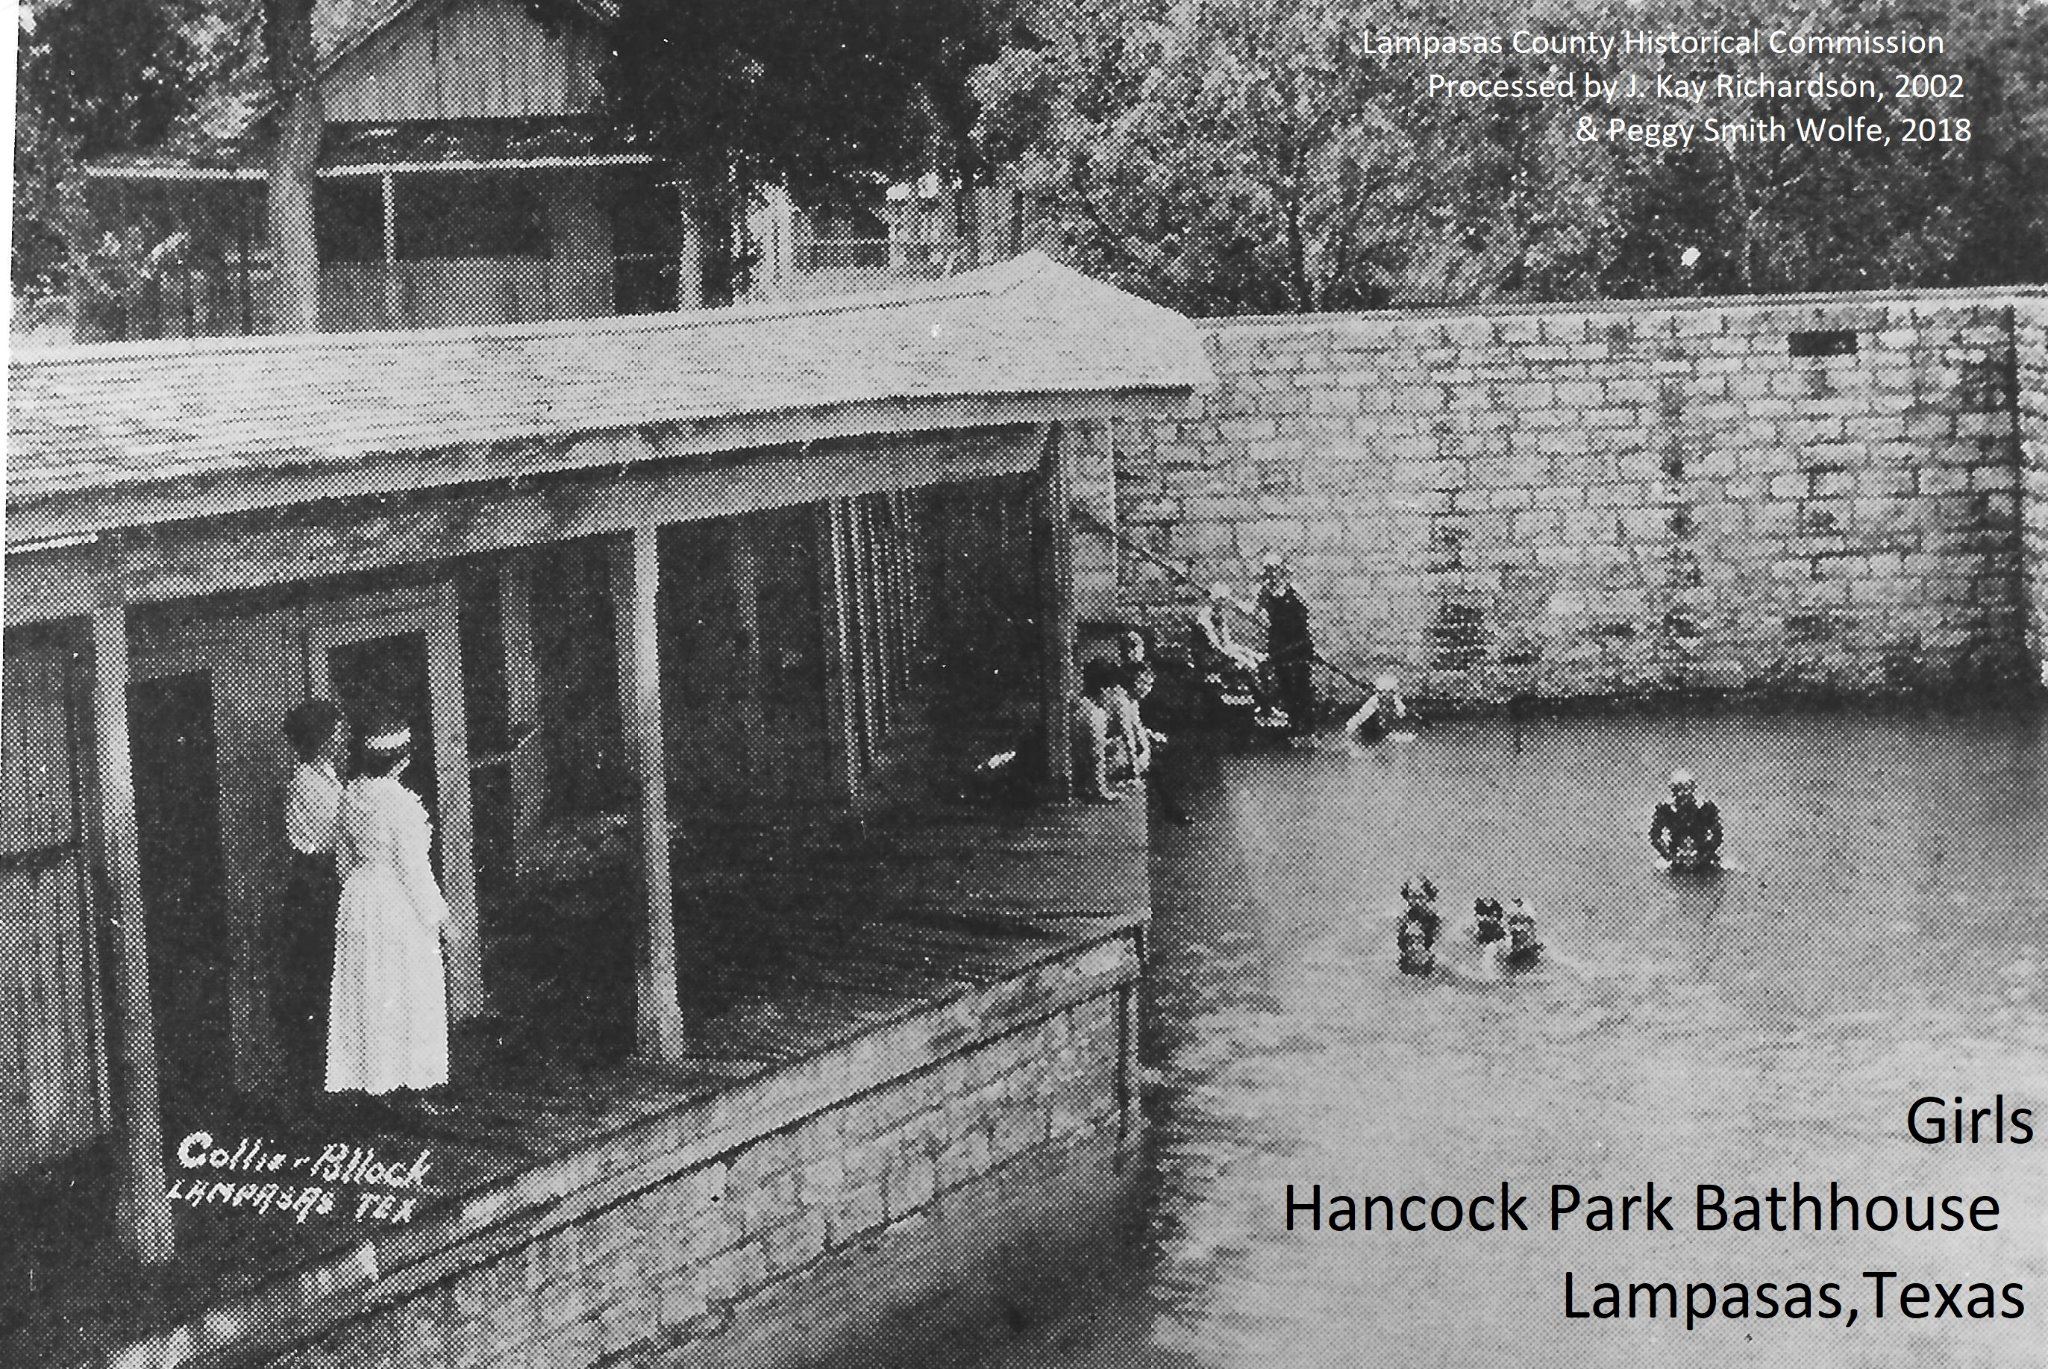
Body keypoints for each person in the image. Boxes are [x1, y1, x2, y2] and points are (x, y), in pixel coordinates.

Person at [327, 717, 456, 1112]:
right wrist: (441, 918)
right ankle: (415, 1086)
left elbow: (343, 861)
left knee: (372, 987)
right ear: (401, 761)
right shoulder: (402, 804)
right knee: (410, 987)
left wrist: (361, 890)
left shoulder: (350, 795)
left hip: (361, 898)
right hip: (397, 902)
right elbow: (415, 870)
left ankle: (376, 1084)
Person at [279, 699, 347, 1096]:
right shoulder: (307, 784)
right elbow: (336, 838)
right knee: (321, 985)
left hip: (324, 882)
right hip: (316, 889)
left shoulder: (323, 776)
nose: (342, 736)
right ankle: (320, 1092)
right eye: (336, 730)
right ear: (322, 738)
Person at [1258, 555, 1317, 736]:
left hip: (1298, 641)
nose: (1272, 575)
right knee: (1284, 683)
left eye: (1275, 570)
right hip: (1278, 643)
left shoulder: (1293, 589)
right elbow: (1257, 613)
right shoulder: (1264, 592)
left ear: (1281, 571)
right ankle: (1292, 723)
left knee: (1302, 682)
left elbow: (1306, 610)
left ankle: (1306, 725)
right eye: (1268, 571)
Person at [1073, 659, 1128, 803]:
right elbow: (1096, 756)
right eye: (1115, 691)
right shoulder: (1095, 714)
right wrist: (1102, 791)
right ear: (1105, 690)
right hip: (1081, 777)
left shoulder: (1081, 704)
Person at [1651, 770, 1724, 870]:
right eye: (1678, 789)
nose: (1682, 793)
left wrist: (1703, 856)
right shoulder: (1665, 809)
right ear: (1672, 790)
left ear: (1693, 788)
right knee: (1659, 869)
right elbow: (1655, 836)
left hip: (1703, 854)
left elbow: (1717, 835)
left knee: (1727, 868)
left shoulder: (1706, 808)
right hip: (1675, 854)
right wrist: (1669, 856)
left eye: (1686, 789)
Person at [1345, 674, 1415, 745]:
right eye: (1380, 692)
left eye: (1388, 693)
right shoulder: (1374, 700)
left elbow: (1403, 713)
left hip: (1390, 727)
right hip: (1375, 728)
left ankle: (1393, 737)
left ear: (1392, 693)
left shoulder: (1396, 701)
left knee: (1401, 737)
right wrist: (1350, 727)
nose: (1383, 695)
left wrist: (1399, 713)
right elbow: (1361, 714)